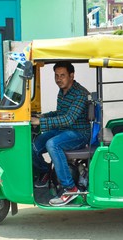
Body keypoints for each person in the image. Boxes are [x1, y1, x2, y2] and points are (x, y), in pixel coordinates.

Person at [31, 61, 90, 206]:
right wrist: (42, 116)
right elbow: (60, 113)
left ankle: (70, 189)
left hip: (79, 133)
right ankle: (46, 172)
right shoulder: (62, 91)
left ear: (71, 75)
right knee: (34, 145)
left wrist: (41, 123)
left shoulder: (80, 93)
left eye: (62, 75)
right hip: (64, 130)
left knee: (53, 144)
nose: (59, 79)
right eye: (56, 76)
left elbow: (69, 119)